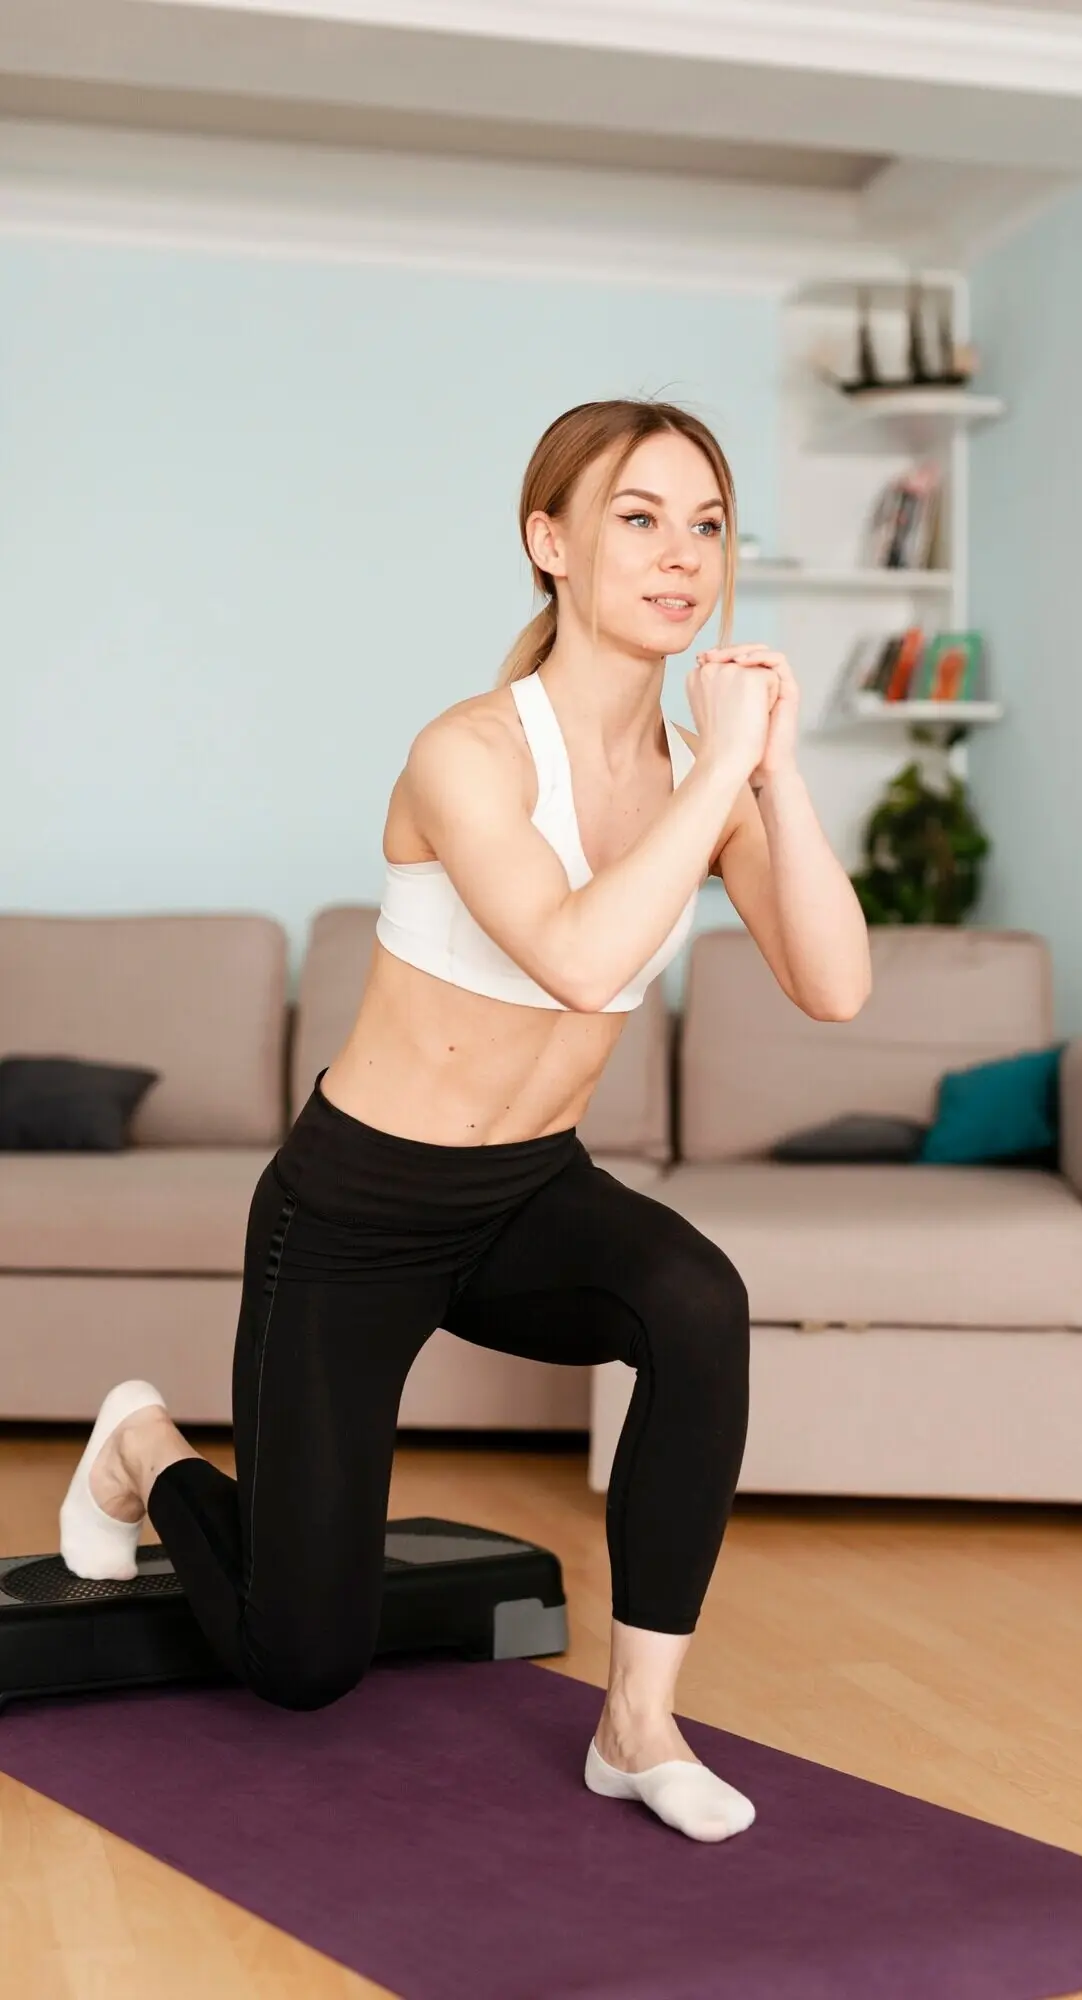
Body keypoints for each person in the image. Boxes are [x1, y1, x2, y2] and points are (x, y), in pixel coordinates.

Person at [59, 398, 872, 1843]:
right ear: (547, 542)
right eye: (639, 518)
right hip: (354, 1211)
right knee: (303, 1663)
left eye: (708, 525)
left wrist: (777, 774)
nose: (682, 556)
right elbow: (573, 951)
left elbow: (836, 983)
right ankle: (146, 1450)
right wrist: (716, 780)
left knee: (697, 1297)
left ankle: (637, 1723)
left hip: (527, 1195)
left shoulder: (705, 779)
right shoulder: (469, 753)